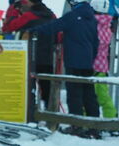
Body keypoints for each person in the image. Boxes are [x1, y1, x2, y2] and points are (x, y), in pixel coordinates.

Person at [29, 0, 99, 137]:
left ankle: (76, 126)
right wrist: (91, 58)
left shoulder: (72, 16)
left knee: (75, 94)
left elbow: (52, 27)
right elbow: (95, 42)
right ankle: (95, 126)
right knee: (89, 94)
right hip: (88, 62)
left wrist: (32, 31)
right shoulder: (92, 18)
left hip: (74, 60)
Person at [2, 0, 57, 105]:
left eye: (24, 3)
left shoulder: (29, 16)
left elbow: (8, 28)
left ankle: (29, 114)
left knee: (27, 90)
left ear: (30, 3)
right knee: (47, 90)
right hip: (47, 58)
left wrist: (14, 11)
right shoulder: (52, 15)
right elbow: (58, 35)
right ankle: (49, 115)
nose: (23, 5)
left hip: (29, 58)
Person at [90, 0, 117, 119]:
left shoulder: (92, 25)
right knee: (103, 96)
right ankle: (111, 121)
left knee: (89, 96)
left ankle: (85, 122)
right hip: (102, 67)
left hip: (92, 66)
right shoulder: (107, 25)